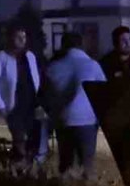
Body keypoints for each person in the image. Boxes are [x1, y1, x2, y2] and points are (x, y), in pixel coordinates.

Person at [43, 33, 107, 176]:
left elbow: (46, 96)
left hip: (63, 121)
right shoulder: (92, 65)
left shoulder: (53, 67)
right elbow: (103, 92)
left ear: (64, 46)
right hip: (87, 120)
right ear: (81, 45)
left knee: (66, 163)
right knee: (87, 165)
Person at [0, 25, 41, 163]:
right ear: (11, 38)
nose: (21, 40)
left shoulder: (30, 56)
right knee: (19, 138)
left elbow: (36, 80)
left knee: (33, 138)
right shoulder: (2, 57)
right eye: (18, 36)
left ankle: (28, 165)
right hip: (13, 106)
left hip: (30, 104)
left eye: (24, 37)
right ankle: (18, 164)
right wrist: (0, 105)